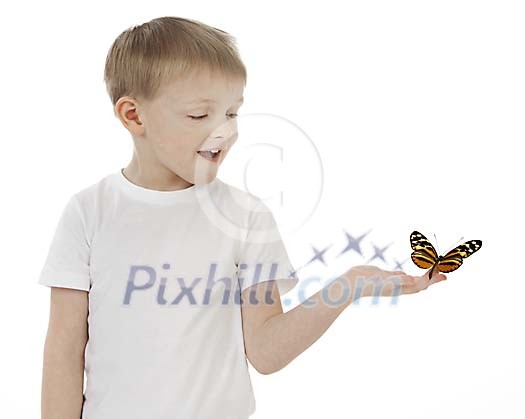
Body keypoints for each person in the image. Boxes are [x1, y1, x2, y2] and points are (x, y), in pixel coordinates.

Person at [38, 16, 447, 419]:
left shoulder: (246, 217)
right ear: (134, 116)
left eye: (232, 113)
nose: (225, 131)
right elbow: (63, 350)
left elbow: (266, 353)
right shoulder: (89, 212)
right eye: (200, 115)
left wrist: (351, 285)